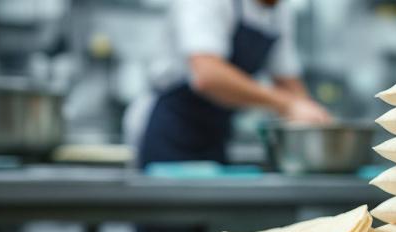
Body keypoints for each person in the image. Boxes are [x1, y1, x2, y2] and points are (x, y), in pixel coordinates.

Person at [136, 0, 331, 169]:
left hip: (215, 133)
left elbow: (289, 83)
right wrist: (288, 104)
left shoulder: (279, 12)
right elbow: (207, 75)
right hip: (169, 130)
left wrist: (318, 121)